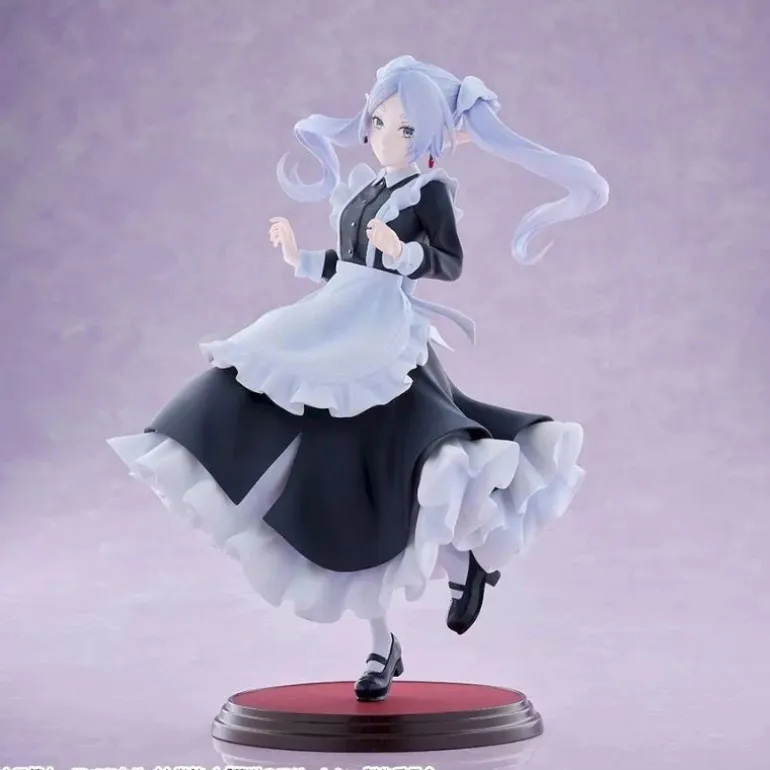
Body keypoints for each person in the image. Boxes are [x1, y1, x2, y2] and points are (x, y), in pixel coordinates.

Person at [108, 55, 609, 702]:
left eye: (404, 129)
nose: (384, 136)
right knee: (332, 478)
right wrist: (298, 256)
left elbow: (448, 262)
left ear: (430, 137)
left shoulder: (429, 192)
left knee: (422, 465)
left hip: (381, 342)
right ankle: (383, 642)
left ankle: (465, 562)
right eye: (378, 122)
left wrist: (405, 253)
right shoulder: (364, 188)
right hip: (330, 327)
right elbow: (346, 266)